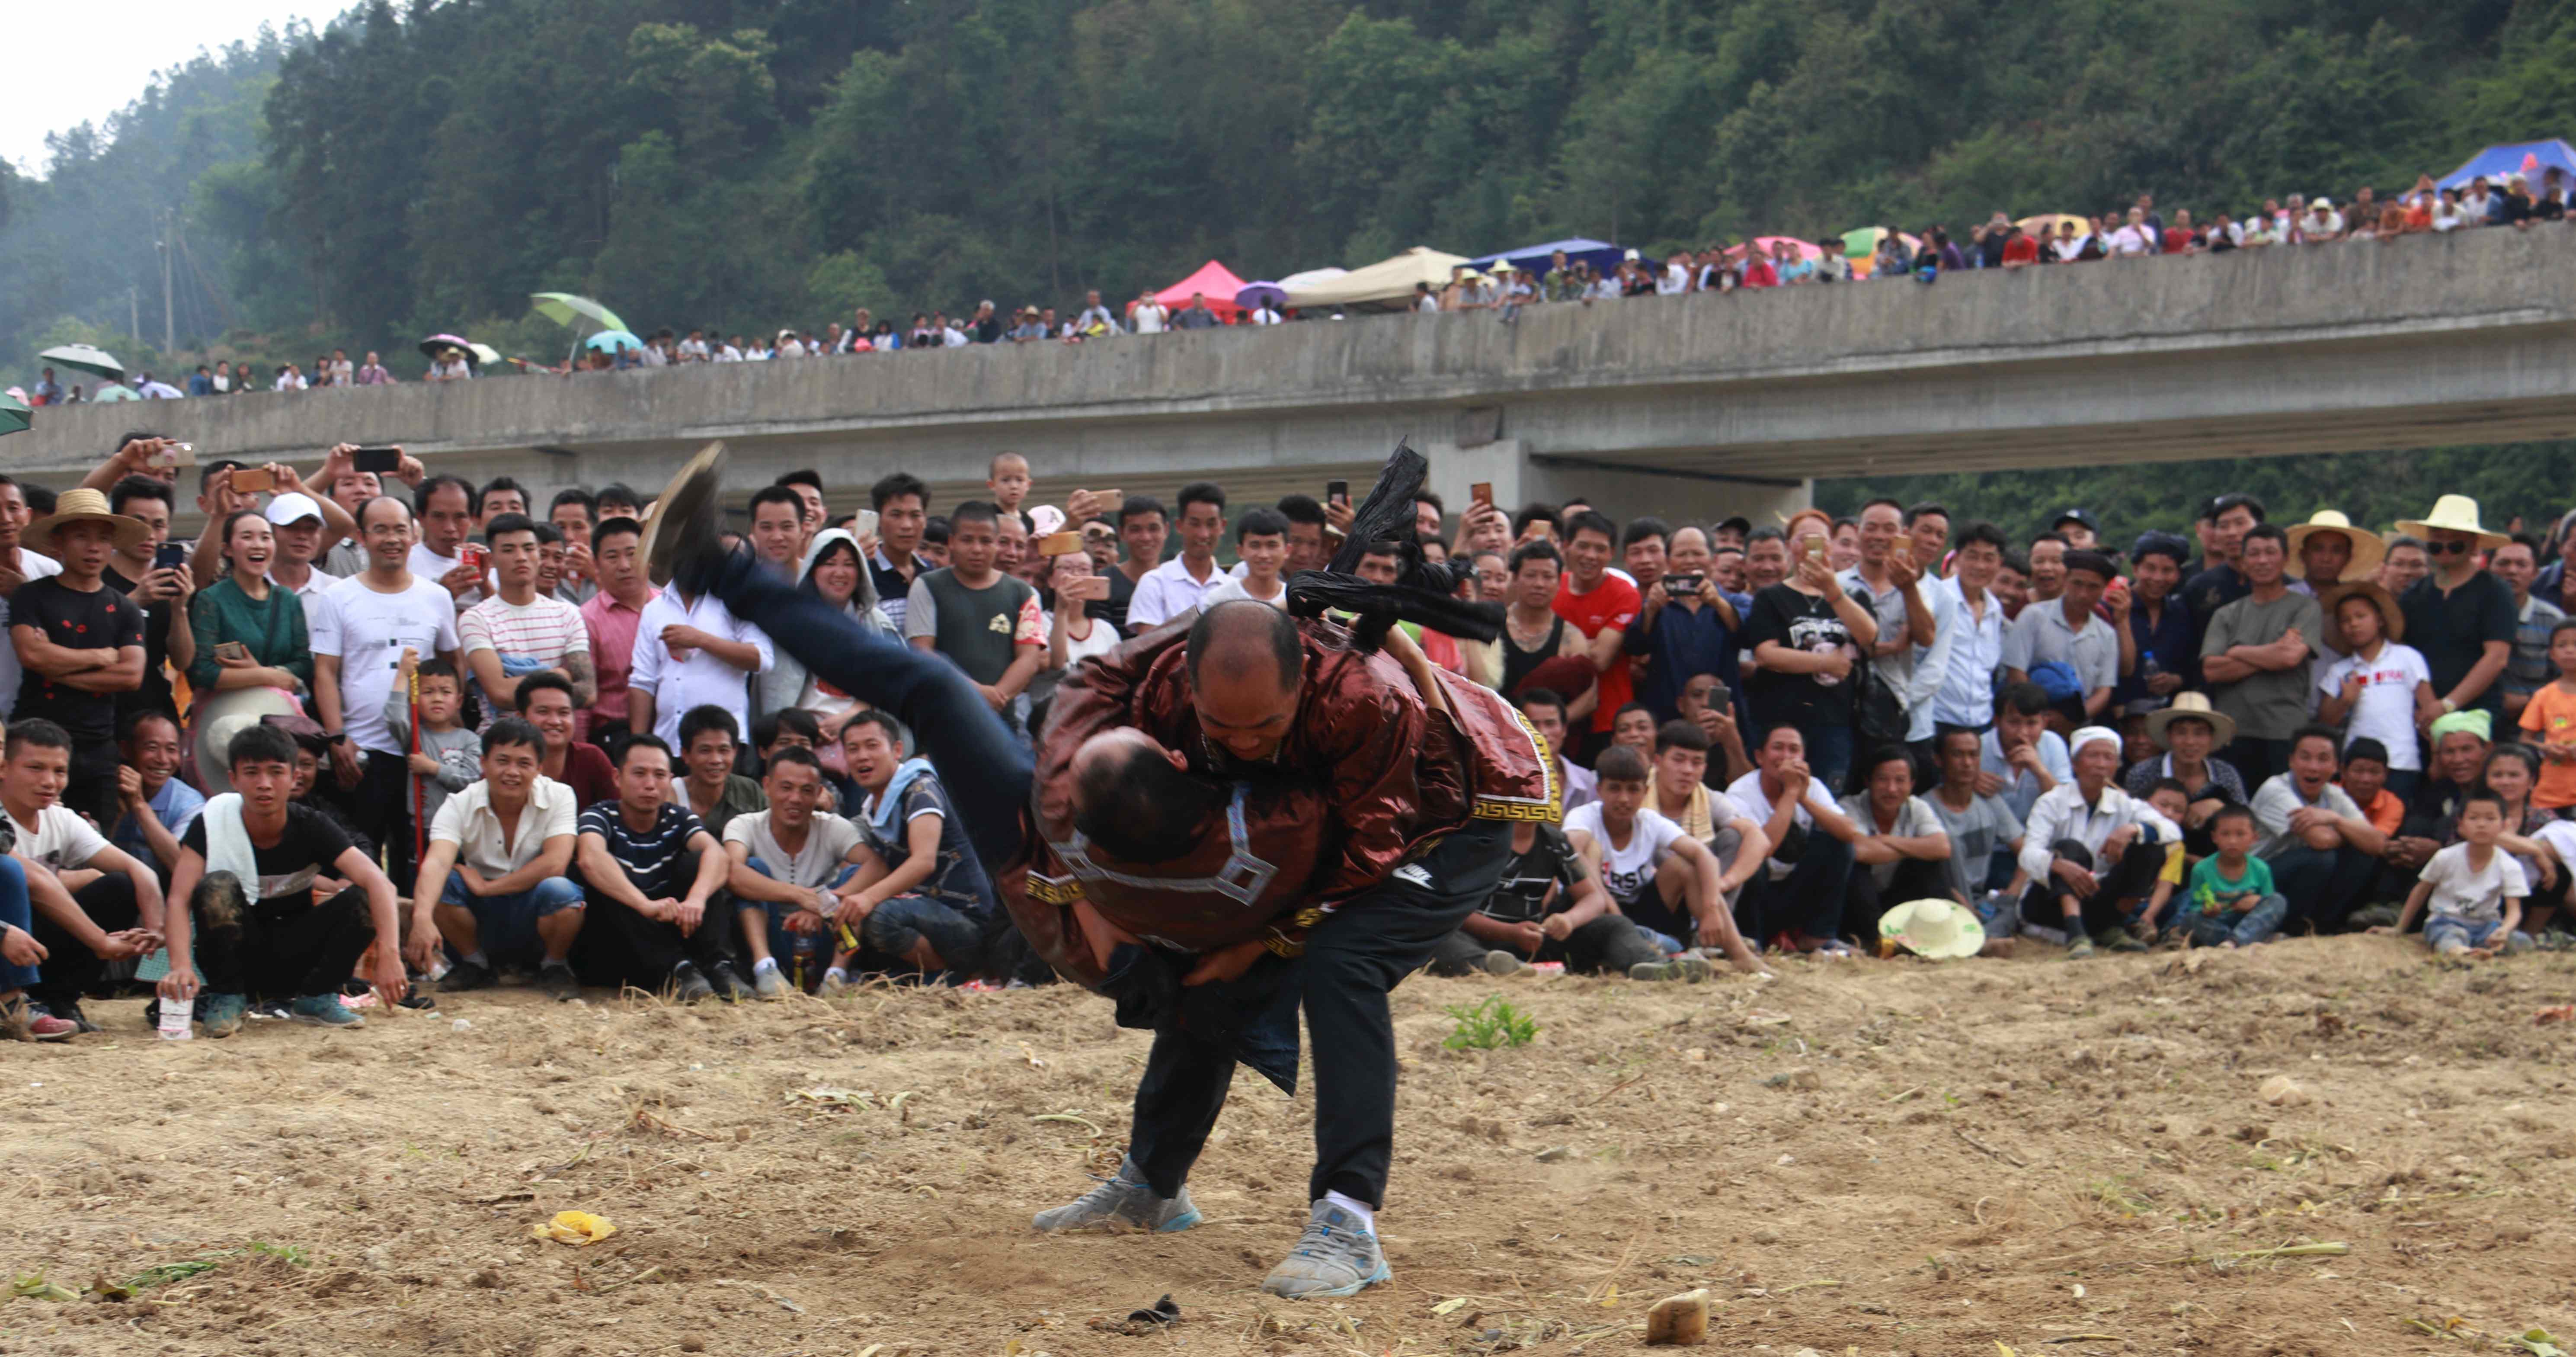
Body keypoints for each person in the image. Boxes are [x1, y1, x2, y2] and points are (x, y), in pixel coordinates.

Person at [637, 442, 1559, 1298]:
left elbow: (1361, 857)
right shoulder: (1146, 676)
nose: (1238, 738)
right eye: (1219, 726)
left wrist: (1252, 950)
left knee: (1330, 962)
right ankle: (714, 564)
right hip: (1143, 822)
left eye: (1259, 727)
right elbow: (1075, 706)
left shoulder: (1362, 710)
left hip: (1447, 814)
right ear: (1183, 691)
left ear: (1297, 693)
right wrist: (1064, 827)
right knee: (939, 696)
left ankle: (1348, 1218)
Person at [152, 722, 406, 1033]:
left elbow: (380, 882)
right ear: (233, 779)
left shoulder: (313, 825)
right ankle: (227, 998)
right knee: (216, 885)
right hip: (237, 959)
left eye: (275, 772)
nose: (264, 784)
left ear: (293, 778)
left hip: (298, 958)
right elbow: (178, 898)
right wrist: (180, 966)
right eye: (252, 772)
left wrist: (391, 954)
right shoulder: (212, 822)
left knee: (364, 895)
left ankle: (317, 996)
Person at [312, 496, 461, 889]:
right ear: (362, 537)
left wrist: (451, 733)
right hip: (362, 753)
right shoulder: (338, 597)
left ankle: (419, 946)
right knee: (361, 863)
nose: (391, 539)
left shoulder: (436, 597)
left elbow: (451, 662)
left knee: (419, 862)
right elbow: (325, 673)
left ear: (414, 534)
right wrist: (337, 737)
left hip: (422, 753)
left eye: (399, 529)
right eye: (380, 529)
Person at [6, 719, 167, 1030]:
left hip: (34, 938)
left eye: (59, 771)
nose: (49, 781)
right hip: (6, 934)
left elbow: (139, 871)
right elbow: (35, 881)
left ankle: (59, 999)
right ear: (4, 768)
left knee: (118, 886)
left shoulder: (61, 819)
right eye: (35, 768)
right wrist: (101, 942)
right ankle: (14, 1001)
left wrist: (154, 930)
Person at [828, 709, 1001, 986]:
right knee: (850, 895)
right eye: (853, 749)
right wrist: (829, 901)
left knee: (880, 915)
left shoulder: (921, 789)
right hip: (924, 912)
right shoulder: (874, 805)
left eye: (872, 746)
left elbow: (924, 861)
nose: (862, 756)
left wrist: (868, 899)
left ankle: (948, 978)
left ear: (897, 750)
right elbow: (880, 867)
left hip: (967, 922)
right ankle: (844, 976)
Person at [12, 489, 150, 827]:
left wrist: (57, 667)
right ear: (59, 540)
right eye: (81, 537)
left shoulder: (125, 608)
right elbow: (31, 653)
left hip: (97, 745)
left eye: (103, 539)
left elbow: (130, 676)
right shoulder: (31, 596)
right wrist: (101, 656)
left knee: (95, 843)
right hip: (35, 742)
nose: (94, 548)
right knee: (29, 838)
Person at [418, 718, 585, 998]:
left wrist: (488, 887)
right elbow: (436, 862)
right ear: (484, 763)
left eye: (524, 763)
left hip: (534, 905)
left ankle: (554, 965)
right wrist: (422, 917)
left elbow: (556, 862)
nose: (512, 772)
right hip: (484, 913)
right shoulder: (460, 803)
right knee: (444, 882)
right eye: (503, 760)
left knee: (561, 891)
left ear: (539, 768)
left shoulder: (560, 795)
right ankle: (475, 963)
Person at [573, 734, 746, 1002]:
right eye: (640, 774)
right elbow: (590, 858)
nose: (650, 785)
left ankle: (718, 966)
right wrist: (644, 904)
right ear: (617, 778)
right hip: (616, 949)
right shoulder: (600, 815)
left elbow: (717, 855)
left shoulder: (677, 817)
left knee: (700, 862)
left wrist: (696, 900)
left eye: (660, 775)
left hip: (671, 933)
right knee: (609, 875)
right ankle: (678, 969)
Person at [1564, 744, 1763, 976]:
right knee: (1587, 850)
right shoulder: (1584, 816)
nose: (1624, 799)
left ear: (1646, 792)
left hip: (1643, 916)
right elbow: (1570, 851)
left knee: (1685, 866)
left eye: (1633, 790)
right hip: (1599, 916)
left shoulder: (1648, 820)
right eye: (1615, 789)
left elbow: (1704, 856)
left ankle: (1740, 955)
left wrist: (1711, 910)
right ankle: (1651, 956)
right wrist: (1616, 915)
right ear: (1599, 790)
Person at [2016, 725, 2180, 958]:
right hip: (2047, 904)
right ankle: (2076, 933)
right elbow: (2028, 854)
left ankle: (2112, 925)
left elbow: (2172, 830)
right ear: (2075, 764)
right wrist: (2057, 864)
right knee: (2069, 848)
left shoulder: (2124, 804)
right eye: (2093, 756)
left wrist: (2133, 829)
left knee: (2151, 846)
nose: (2101, 764)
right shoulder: (2052, 802)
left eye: (2108, 758)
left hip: (2097, 901)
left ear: (2116, 766)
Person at [1743, 510, 1878, 791]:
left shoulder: (1851, 595)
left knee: (1826, 801)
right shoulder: (1771, 597)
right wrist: (1825, 662)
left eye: (1820, 540)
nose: (1812, 546)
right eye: (1804, 539)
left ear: (1830, 545)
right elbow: (1766, 654)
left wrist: (1831, 590)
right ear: (1790, 545)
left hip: (1834, 722)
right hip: (1781, 722)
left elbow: (1868, 635)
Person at [724, 745, 865, 998]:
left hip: (823, 938)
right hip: (772, 938)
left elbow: (875, 867)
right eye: (786, 788)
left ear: (820, 793)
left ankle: (837, 975)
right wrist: (801, 896)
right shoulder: (745, 825)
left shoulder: (833, 827)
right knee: (751, 869)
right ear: (767, 786)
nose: (796, 799)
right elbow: (732, 872)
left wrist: (824, 903)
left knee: (855, 873)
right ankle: (765, 969)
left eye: (807, 790)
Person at [2198, 525, 2324, 786]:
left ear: (2286, 559)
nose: (2263, 561)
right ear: (2243, 562)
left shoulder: (2306, 608)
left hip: (2284, 731)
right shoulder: (2227, 614)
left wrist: (2237, 652)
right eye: (2254, 554)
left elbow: (2289, 659)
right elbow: (2212, 670)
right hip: (2233, 731)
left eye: (2271, 552)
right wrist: (2273, 653)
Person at [906, 501, 1044, 728]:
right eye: (967, 540)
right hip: (942, 717)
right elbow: (922, 652)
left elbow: (1029, 658)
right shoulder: (927, 586)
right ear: (952, 542)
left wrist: (997, 695)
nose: (977, 549)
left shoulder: (1022, 593)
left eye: (986, 541)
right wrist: (976, 693)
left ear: (997, 544)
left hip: (1002, 721)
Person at [1727, 723, 1859, 955]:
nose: (1786, 757)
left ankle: (1816, 938)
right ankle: (1752, 941)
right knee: (1751, 861)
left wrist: (1804, 798)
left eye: (1794, 750)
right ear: (1760, 757)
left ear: (1803, 757)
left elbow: (1850, 833)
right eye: (1778, 748)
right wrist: (1790, 793)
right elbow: (1763, 849)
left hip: (1796, 891)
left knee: (1839, 845)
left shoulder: (1812, 786)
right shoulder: (1740, 793)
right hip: (1757, 894)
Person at [628, 546, 770, 751]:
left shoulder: (737, 602)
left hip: (723, 748)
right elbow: (642, 682)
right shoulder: (654, 610)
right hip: (669, 743)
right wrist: (639, 744)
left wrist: (701, 640)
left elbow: (762, 659)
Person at [459, 513, 595, 722]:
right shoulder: (476, 619)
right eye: (508, 550)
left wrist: (520, 684)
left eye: (529, 549)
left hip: (558, 739)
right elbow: (500, 694)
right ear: (492, 559)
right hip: (502, 744)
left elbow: (588, 691)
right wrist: (559, 675)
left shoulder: (568, 614)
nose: (521, 557)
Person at [2249, 726, 2384, 934]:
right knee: (2321, 859)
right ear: (2291, 761)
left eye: (2323, 759)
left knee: (2362, 854)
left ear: (2336, 767)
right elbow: (2320, 840)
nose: (2313, 767)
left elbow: (2377, 844)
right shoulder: (2275, 789)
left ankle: (2320, 927)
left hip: (2298, 878)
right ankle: (2289, 928)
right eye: (2305, 757)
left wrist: (2335, 819)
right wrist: (2347, 833)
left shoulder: (2334, 795)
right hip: (2256, 879)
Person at [2394, 495, 2514, 728]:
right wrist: (2427, 707)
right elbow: (2405, 655)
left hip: (2477, 715)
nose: (2446, 550)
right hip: (2421, 715)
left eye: (2456, 543)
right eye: (2437, 543)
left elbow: (2497, 657)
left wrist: (2448, 705)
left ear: (2474, 544)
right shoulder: (2413, 595)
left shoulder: (2495, 591)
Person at [2315, 581, 2435, 802]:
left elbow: (2430, 709)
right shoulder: (2340, 670)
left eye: (2361, 616)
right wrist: (2345, 701)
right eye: (2345, 620)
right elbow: (2325, 722)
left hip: (2402, 760)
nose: (2353, 624)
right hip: (2356, 767)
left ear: (2380, 620)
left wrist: (2437, 755)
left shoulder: (2407, 657)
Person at [2375, 791, 2525, 959]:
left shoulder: (2510, 865)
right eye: (2474, 818)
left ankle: (2486, 950)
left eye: (2490, 819)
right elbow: (2421, 890)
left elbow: (2514, 910)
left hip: (2487, 925)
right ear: (2460, 825)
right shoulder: (2445, 856)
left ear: (2504, 825)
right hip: (2446, 921)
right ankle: (2462, 953)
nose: (2482, 825)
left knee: (2520, 940)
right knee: (2449, 936)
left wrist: (2504, 930)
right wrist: (2400, 928)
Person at [186, 509, 312, 702]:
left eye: (265, 538)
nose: (258, 545)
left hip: (280, 711)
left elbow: (304, 663)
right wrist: (265, 676)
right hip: (227, 708)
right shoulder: (211, 599)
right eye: (247, 537)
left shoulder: (288, 599)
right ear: (227, 549)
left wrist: (263, 672)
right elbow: (203, 671)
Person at [102, 473, 194, 724]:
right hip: (100, 705)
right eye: (139, 522)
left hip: (154, 709)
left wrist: (180, 610)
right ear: (118, 523)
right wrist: (136, 600)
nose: (150, 534)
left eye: (159, 525)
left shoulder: (172, 580)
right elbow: (82, 634)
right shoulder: (95, 573)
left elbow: (183, 661)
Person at [1627, 526, 1738, 728]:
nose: (1690, 561)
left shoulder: (1734, 601)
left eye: (1697, 554)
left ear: (1714, 560)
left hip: (1721, 713)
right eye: (1681, 555)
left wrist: (1718, 603)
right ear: (1669, 562)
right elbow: (1636, 646)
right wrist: (1651, 609)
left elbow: (1746, 636)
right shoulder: (1659, 602)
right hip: (1666, 713)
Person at [1553, 512, 1643, 760]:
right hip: (1555, 719)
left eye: (1600, 549)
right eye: (1583, 546)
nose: (1591, 556)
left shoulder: (1624, 593)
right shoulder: (1551, 587)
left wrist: (1559, 645)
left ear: (1611, 554)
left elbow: (1600, 659)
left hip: (1608, 721)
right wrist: (1589, 642)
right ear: (1566, 547)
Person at [1838, 746, 1954, 935]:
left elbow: (1942, 847)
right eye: (1883, 780)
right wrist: (1914, 848)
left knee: (1932, 864)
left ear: (1912, 784)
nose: (1892, 789)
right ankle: (1876, 938)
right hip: (1855, 904)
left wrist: (1886, 840)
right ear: (1868, 781)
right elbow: (1860, 850)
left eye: (1900, 781)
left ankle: (1941, 932)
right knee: (1855, 866)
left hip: (1896, 895)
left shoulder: (1917, 807)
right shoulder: (1850, 806)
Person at [2004, 549, 2119, 729]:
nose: (2083, 594)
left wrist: (2075, 719)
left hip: (2081, 727)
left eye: (2093, 587)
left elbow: (2104, 690)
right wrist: (2040, 716)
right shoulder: (2033, 617)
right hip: (2030, 722)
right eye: (2077, 584)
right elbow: (2016, 670)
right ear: (2065, 580)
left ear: (2104, 589)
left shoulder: (2107, 634)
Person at [1924, 729, 2026, 927]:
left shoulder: (1990, 801)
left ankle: (1982, 934)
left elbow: (2026, 850)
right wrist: (1965, 908)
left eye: (1973, 755)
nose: (1967, 763)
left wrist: (2014, 890)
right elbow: (1929, 875)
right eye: (1957, 755)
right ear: (1939, 760)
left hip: (1982, 897)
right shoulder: (1925, 807)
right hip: (1944, 896)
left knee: (2015, 907)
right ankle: (1984, 937)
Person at [580, 516, 656, 745]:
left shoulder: (673, 608)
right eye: (612, 557)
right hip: (614, 738)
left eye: (632, 554)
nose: (624, 565)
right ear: (596, 564)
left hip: (673, 733)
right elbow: (583, 699)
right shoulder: (586, 619)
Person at [384, 653, 480, 831]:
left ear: (459, 701)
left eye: (446, 692)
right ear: (414, 699)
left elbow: (472, 778)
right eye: (428, 692)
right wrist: (402, 675)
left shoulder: (470, 740)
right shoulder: (414, 737)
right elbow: (395, 719)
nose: (437, 698)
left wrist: (433, 768)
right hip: (424, 828)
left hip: (462, 829)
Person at [1931, 522, 2008, 736]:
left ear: (2000, 563)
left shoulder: (1995, 609)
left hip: (1980, 722)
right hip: (1937, 719)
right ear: (1957, 558)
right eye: (1972, 556)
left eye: (1989, 559)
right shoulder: (1936, 597)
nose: (1980, 566)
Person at [2170, 806, 2285, 948]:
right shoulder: (2201, 869)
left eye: (2240, 834)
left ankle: (2234, 941)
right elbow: (2196, 906)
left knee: (2278, 901)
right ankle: (2242, 941)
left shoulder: (2261, 869)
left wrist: (2258, 901)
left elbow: (2268, 904)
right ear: (2214, 837)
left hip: (2247, 921)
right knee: (2192, 919)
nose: (2232, 841)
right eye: (2225, 834)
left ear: (2254, 838)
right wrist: (2207, 910)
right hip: (2216, 922)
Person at [109, 710, 203, 884]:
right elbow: (86, 861)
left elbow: (182, 868)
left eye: (171, 750)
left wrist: (139, 805)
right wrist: (116, 818)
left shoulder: (190, 804)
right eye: (152, 748)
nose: (163, 759)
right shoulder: (108, 788)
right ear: (126, 750)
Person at [1127, 484, 1228, 630]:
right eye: (1195, 524)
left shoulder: (1233, 588)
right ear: (1179, 526)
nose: (1204, 534)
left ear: (1223, 526)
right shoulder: (1154, 583)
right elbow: (1149, 648)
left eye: (1211, 524)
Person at [2490, 536, 2564, 724]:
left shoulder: (2553, 621)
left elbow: (2568, 681)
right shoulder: (2471, 614)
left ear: (2535, 573)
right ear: (2489, 569)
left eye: (2521, 565)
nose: (2512, 571)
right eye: (2503, 563)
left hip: (2537, 723)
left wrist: (2529, 700)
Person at [2519, 619, 2576, 813]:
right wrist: (2546, 748)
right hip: (2551, 795)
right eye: (2562, 645)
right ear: (2552, 654)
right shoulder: (2544, 696)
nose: (2570, 650)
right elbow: (2525, 740)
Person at [1520, 689, 1596, 813]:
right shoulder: (1509, 781)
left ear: (1564, 730)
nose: (1543, 733)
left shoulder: (1587, 781)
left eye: (1550, 724)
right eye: (1533, 725)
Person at [1200, 508, 1291, 611]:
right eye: (1255, 545)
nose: (1264, 555)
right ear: (1240, 551)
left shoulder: (1294, 601)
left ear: (1287, 550)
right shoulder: (1217, 601)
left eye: (1272, 545)